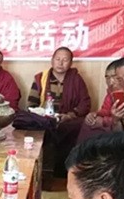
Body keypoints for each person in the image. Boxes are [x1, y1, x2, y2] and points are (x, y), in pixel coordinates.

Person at [17, 47, 91, 177]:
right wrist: (42, 115)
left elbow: (85, 103)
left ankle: (63, 172)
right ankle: (38, 172)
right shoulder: (41, 78)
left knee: (78, 128)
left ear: (71, 63)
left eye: (65, 60)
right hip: (45, 120)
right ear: (52, 60)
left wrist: (70, 115)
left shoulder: (76, 79)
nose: (60, 63)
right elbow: (32, 104)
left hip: (68, 120)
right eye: (57, 59)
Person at [84, 61, 123, 131]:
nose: (111, 82)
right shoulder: (110, 92)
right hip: (111, 123)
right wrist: (94, 114)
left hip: (122, 127)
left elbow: (123, 119)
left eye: (114, 77)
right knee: (88, 124)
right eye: (107, 78)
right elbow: (106, 110)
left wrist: (104, 121)